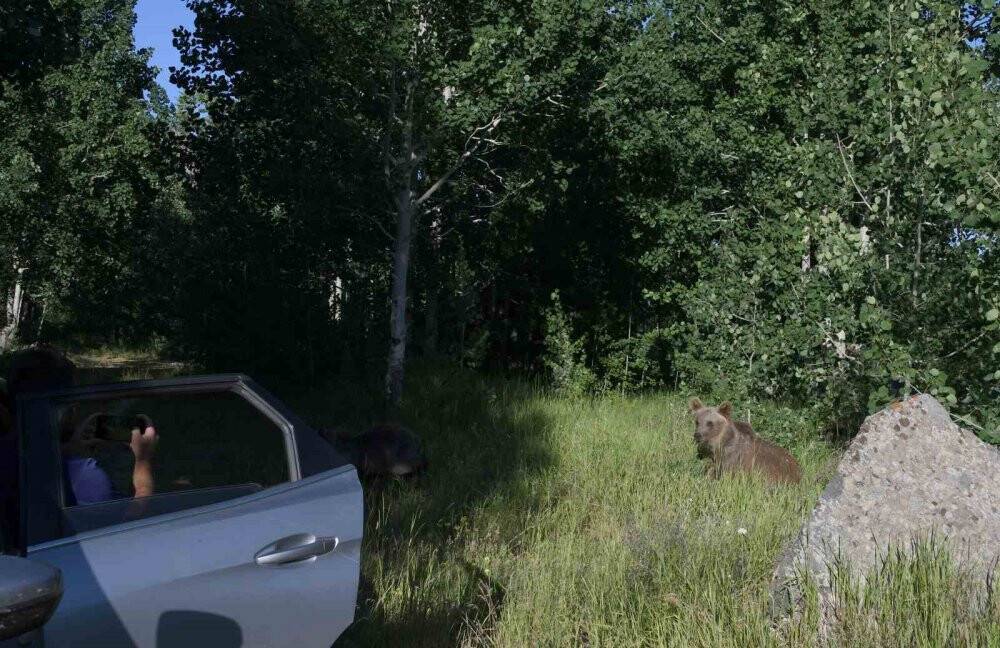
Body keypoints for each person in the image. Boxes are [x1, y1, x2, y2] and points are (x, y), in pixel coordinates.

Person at [7, 345, 158, 505]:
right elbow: (131, 523)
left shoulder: (11, 455)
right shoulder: (86, 476)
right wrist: (143, 463)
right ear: (68, 410)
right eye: (74, 399)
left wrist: (67, 450)